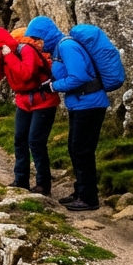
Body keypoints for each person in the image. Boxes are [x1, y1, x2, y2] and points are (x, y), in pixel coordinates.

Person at [25, 16, 109, 212]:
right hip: (81, 104)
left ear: (47, 34)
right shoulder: (59, 48)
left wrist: (54, 86)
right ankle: (80, 191)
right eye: (34, 40)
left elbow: (78, 76)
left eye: (38, 38)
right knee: (75, 148)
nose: (36, 43)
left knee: (82, 150)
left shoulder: (66, 47)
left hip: (89, 104)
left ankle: (89, 198)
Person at [0, 27, 59, 196]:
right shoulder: (4, 54)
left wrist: (8, 56)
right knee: (20, 139)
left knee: (36, 142)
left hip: (44, 101)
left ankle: (43, 185)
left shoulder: (26, 50)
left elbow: (26, 74)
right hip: (24, 102)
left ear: (2, 45)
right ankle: (21, 180)